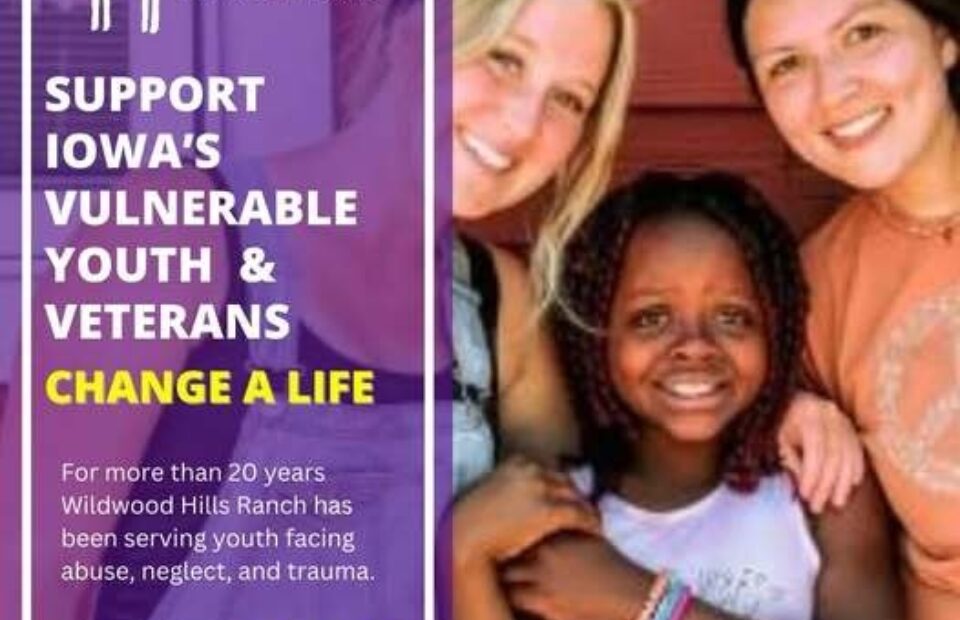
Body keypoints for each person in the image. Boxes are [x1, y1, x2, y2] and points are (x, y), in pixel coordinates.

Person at [454, 172, 902, 620]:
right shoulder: (554, 513)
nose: (695, 344)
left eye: (732, 316)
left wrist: (644, 601)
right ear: (597, 334)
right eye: (651, 318)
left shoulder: (822, 487)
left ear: (774, 331)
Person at [725, 0, 960, 617]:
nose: (833, 91)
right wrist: (784, 407)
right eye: (787, 66)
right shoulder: (813, 293)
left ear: (944, 37)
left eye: (864, 33)